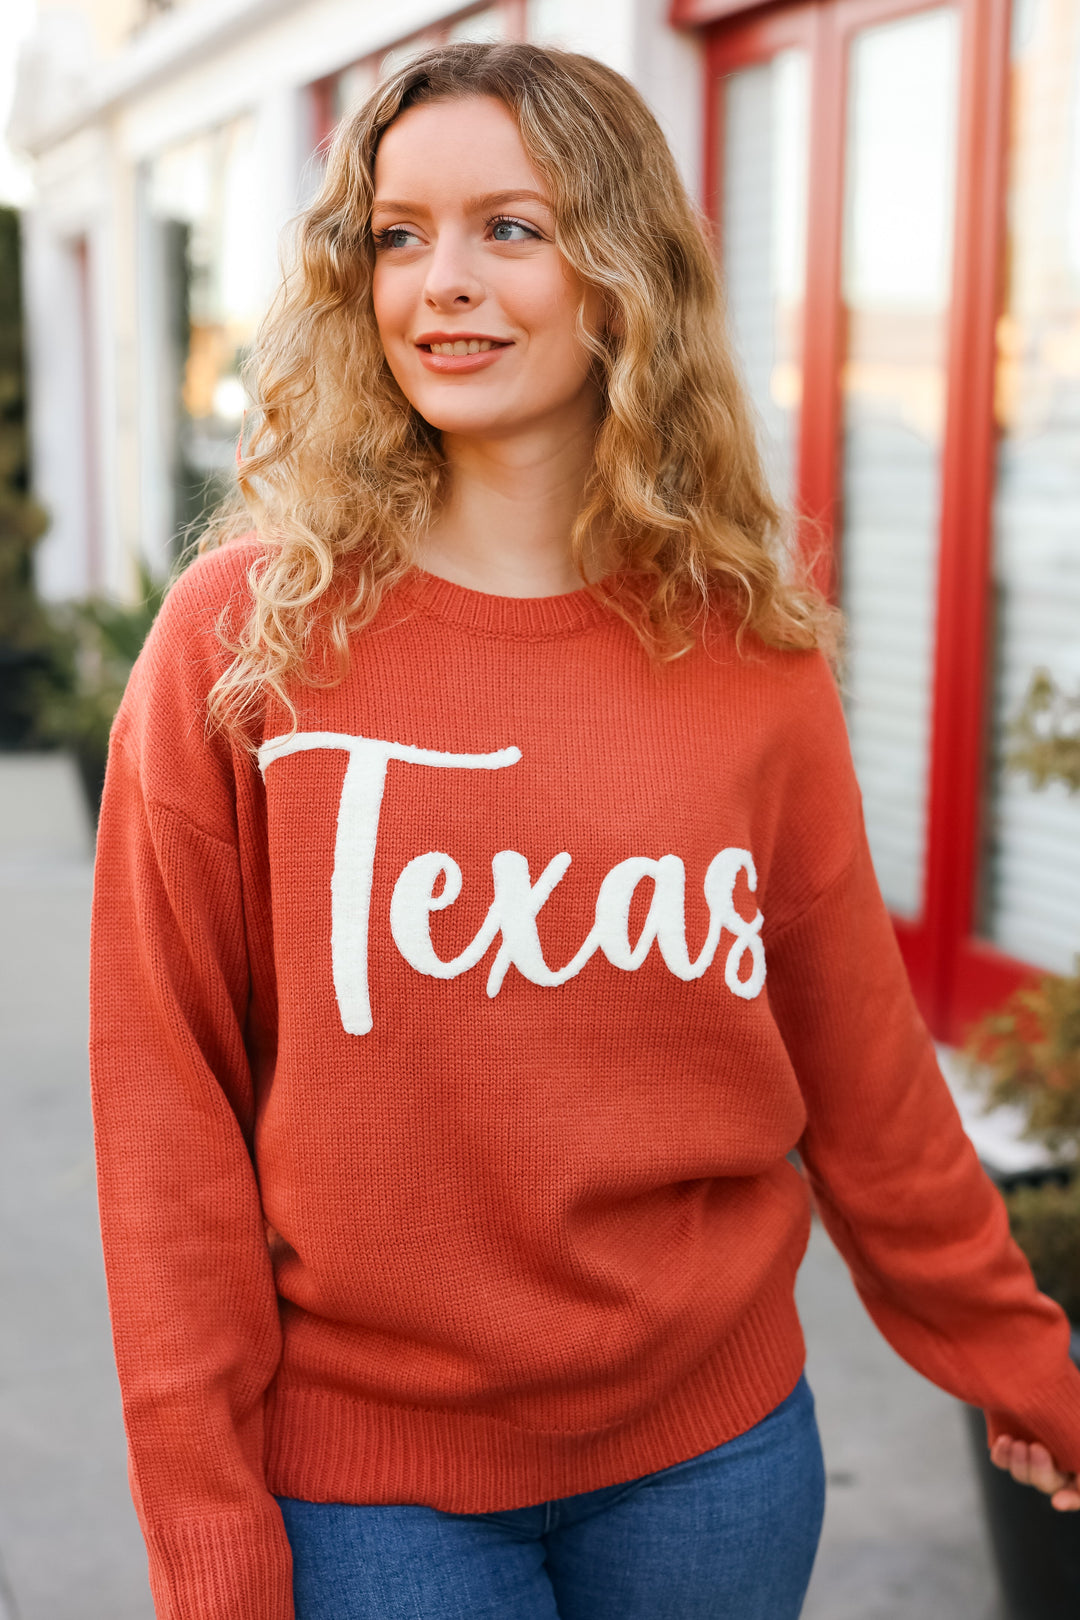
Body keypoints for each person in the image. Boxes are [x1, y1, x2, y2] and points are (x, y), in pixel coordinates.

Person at [88, 41, 1080, 1620]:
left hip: (714, 1463)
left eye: (511, 228)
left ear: (622, 277)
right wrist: (209, 1542)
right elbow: (165, 1128)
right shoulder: (243, 643)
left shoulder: (748, 653)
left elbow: (864, 1067)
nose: (443, 283)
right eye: (398, 236)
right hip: (373, 1498)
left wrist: (1021, 1357)